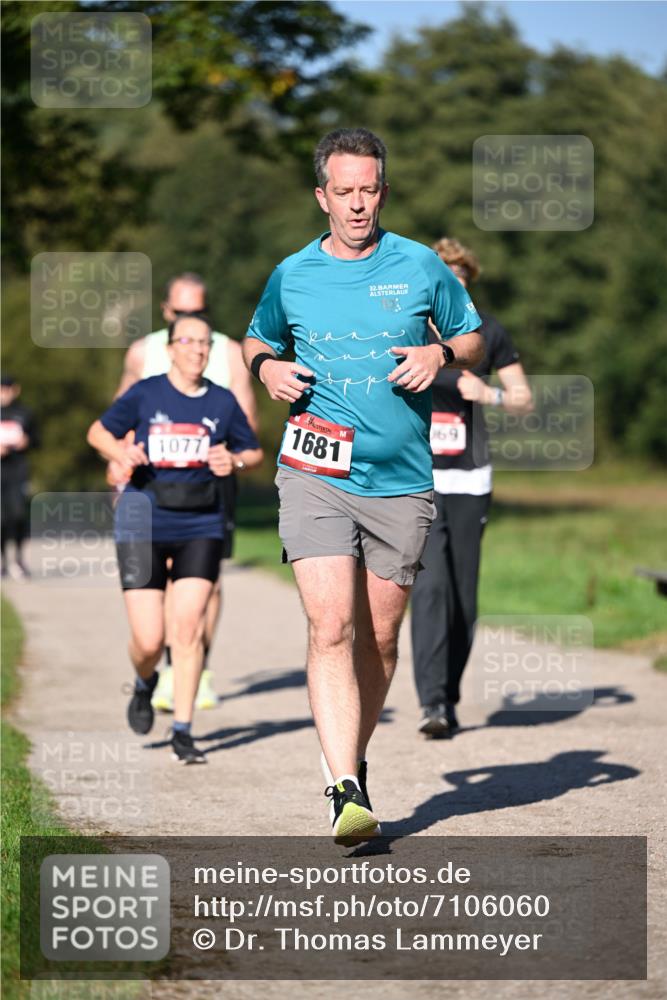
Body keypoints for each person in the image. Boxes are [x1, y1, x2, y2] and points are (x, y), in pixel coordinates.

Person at [242, 128, 483, 843]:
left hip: (401, 481)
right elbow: (257, 338)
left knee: (378, 639)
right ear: (321, 195)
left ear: (383, 190)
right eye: (342, 191)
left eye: (368, 189)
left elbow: (472, 338)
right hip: (314, 470)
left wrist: (437, 350)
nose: (356, 204)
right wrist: (266, 370)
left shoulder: (418, 265)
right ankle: (341, 783)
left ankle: (355, 753)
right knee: (330, 627)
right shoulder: (292, 273)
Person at [88, 315, 262, 764]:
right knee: (150, 640)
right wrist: (120, 451)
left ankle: (183, 730)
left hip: (200, 523)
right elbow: (98, 431)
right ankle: (145, 682)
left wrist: (234, 461)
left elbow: (253, 450)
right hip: (141, 522)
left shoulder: (222, 401)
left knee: (186, 630)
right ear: (170, 348)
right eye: (188, 341)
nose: (198, 350)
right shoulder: (146, 393)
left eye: (205, 343)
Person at [112, 272, 259, 715]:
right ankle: (156, 669)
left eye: (198, 312)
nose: (192, 322)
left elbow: (247, 421)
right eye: (181, 313)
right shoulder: (144, 352)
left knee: (206, 585)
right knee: (150, 624)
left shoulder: (229, 351)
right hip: (153, 487)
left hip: (212, 484)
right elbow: (119, 419)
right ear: (166, 313)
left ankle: (197, 667)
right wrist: (119, 466)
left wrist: (231, 457)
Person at [411, 238, 533, 738]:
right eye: (445, 276)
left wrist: (491, 394)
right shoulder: (410, 332)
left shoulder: (488, 333)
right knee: (431, 586)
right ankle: (433, 702)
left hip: (471, 477)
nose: (453, 284)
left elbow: (524, 399)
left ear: (469, 282)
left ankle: (449, 695)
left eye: (461, 277)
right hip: (419, 477)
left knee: (464, 597)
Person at [1, 374, 40, 579]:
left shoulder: (25, 413)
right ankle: (2, 563)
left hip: (18, 470)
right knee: (1, 518)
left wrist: (27, 441)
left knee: (17, 515)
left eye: (6, 389)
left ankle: (18, 560)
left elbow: (37, 440)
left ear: (15, 390)